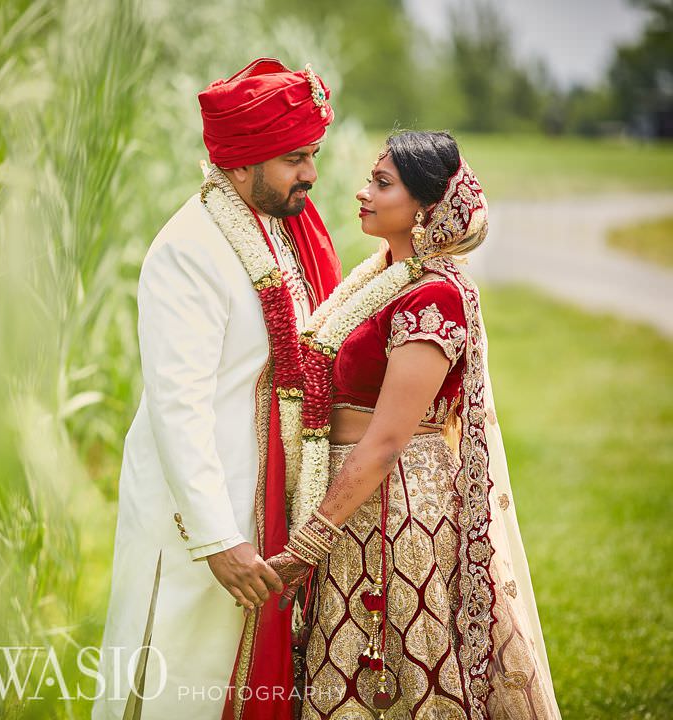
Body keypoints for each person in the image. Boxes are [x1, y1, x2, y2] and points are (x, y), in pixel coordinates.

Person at [262, 131, 561, 719]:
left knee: (399, 665)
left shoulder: (435, 298)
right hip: (356, 503)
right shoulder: (380, 279)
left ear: (426, 206)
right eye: (370, 180)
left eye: (382, 184)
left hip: (399, 507)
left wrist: (309, 540)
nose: (362, 194)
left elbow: (387, 440)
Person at [92, 58, 343, 720]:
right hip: (202, 520)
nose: (310, 175)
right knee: (179, 691)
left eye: (312, 154)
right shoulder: (190, 250)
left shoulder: (283, 232)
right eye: (294, 158)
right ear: (242, 161)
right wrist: (216, 539)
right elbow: (179, 407)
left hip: (266, 505)